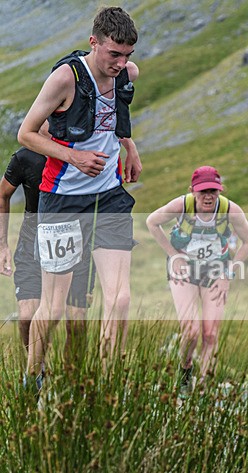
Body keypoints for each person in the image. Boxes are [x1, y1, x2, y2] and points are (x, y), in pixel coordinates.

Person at [16, 6, 142, 391]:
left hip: (108, 196)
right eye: (113, 54)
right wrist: (75, 156)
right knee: (52, 310)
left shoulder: (127, 76)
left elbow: (112, 119)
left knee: (119, 301)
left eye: (127, 55)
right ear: (94, 43)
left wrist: (129, 146)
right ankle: (32, 378)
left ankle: (103, 387)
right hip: (63, 199)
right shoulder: (65, 79)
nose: (121, 63)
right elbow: (26, 133)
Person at [146, 166, 248, 397]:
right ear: (192, 191)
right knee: (192, 331)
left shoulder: (230, 210)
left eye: (213, 191)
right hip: (184, 271)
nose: (208, 196)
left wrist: (229, 273)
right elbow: (151, 222)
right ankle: (185, 372)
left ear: (219, 191)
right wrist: (173, 255)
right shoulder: (180, 206)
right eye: (203, 191)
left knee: (210, 333)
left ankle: (204, 387)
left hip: (216, 271)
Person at [0, 147, 96, 383]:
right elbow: (3, 194)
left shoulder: (83, 153)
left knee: (77, 320)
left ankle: (70, 383)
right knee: (27, 316)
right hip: (32, 242)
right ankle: (37, 373)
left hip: (76, 244)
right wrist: (2, 244)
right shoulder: (25, 157)